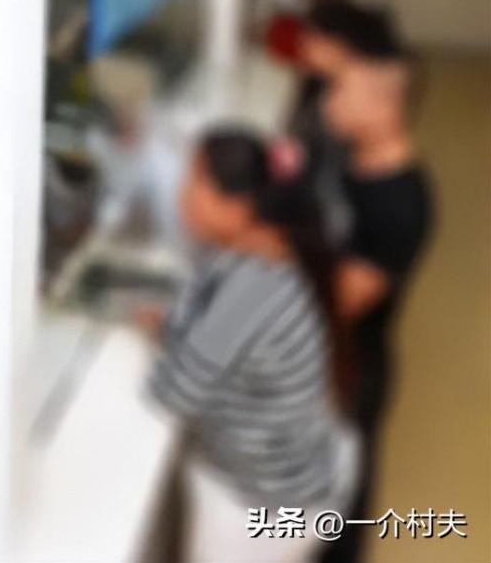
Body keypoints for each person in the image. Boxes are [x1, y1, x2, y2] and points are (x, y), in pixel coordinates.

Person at [146, 128, 356, 563]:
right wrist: (177, 329)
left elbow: (175, 391)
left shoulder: (250, 288)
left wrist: (176, 340)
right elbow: (201, 324)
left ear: (238, 207)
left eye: (194, 181)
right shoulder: (260, 251)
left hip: (263, 508)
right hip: (298, 472)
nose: (182, 195)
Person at [319, 52, 433, 563]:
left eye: (343, 91)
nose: (329, 102)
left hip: (347, 376)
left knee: (332, 528)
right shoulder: (352, 161)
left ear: (386, 107)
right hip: (328, 366)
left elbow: (334, 305)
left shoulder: (400, 206)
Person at [288, 0, 401, 247]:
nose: (302, 45)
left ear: (338, 44)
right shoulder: (321, 85)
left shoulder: (349, 107)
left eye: (311, 38)